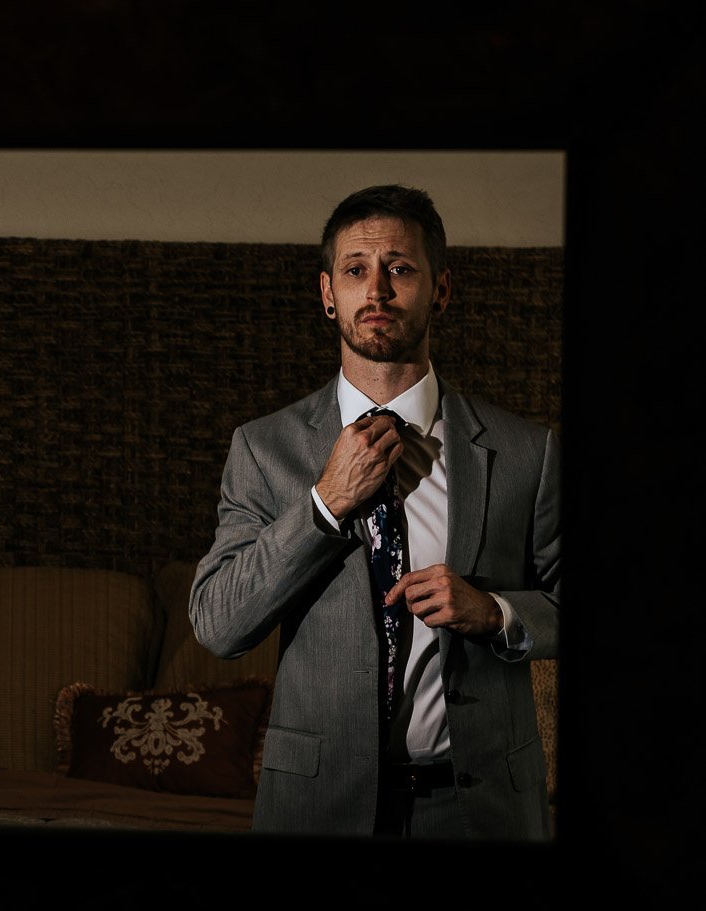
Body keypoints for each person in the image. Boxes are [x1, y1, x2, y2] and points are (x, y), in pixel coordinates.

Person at [188, 184, 560, 840]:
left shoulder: (528, 452)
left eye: (401, 269)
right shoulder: (263, 449)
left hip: (480, 812)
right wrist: (326, 503)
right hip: (318, 806)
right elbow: (219, 624)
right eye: (356, 270)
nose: (378, 291)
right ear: (328, 293)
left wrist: (495, 612)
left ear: (441, 291)